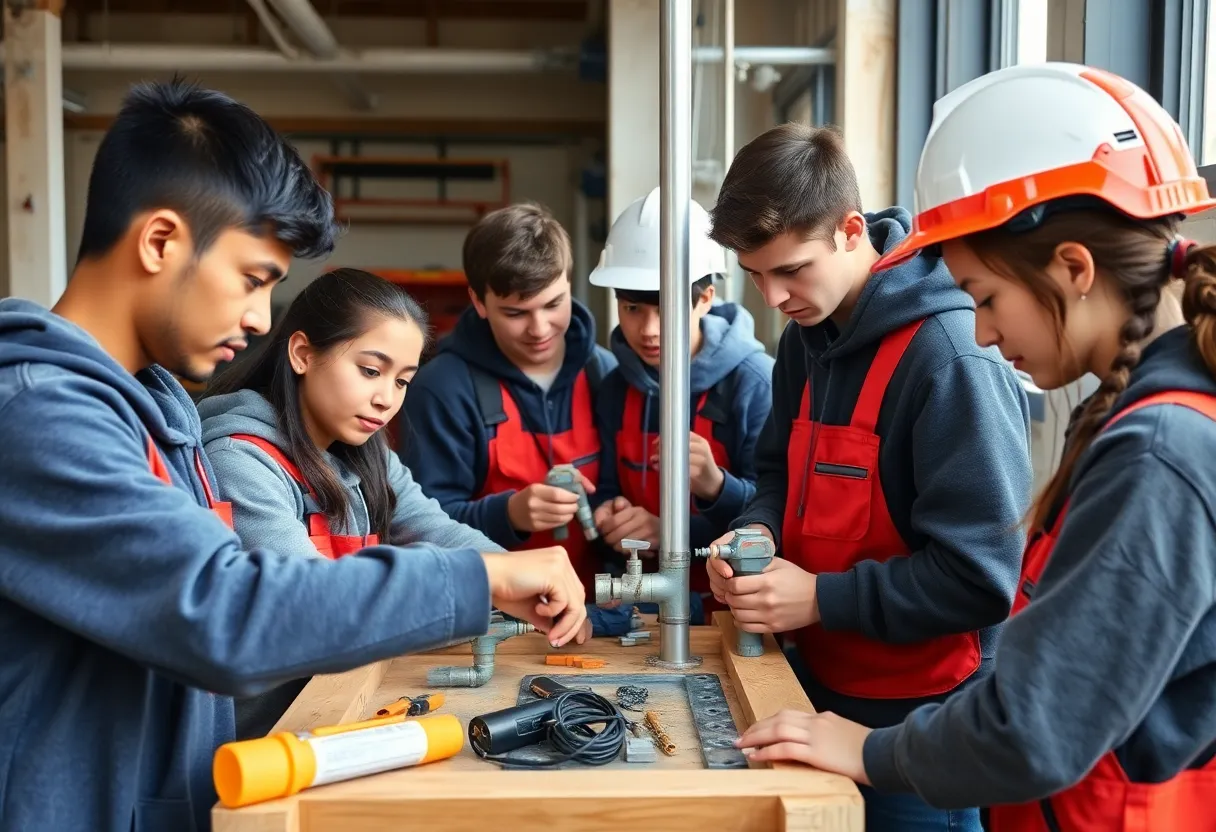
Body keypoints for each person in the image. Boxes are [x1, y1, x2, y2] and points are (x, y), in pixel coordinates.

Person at [0, 80, 585, 832]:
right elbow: (228, 612)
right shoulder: (39, 412)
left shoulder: (155, 408)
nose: (257, 318)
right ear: (159, 242)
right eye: (251, 280)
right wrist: (478, 574)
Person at [735, 62, 1216, 832]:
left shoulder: (1160, 451)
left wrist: (871, 752)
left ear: (1074, 268)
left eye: (986, 300)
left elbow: (1036, 725)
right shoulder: (1145, 414)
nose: (984, 333)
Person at [704, 121, 1034, 831]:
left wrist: (821, 598)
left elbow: (981, 579)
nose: (772, 297)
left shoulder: (949, 359)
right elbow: (774, 476)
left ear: (852, 230)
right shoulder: (804, 341)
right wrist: (753, 532)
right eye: (755, 274)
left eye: (791, 270)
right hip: (813, 692)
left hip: (921, 729)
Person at [198, 268, 551, 740]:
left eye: (403, 381)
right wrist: (488, 581)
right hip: (263, 741)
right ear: (303, 354)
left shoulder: (368, 452)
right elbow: (311, 611)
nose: (386, 399)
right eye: (370, 370)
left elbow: (433, 528)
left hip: (335, 707)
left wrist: (525, 579)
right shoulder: (240, 463)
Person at [402, 203, 617, 599]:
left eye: (553, 304)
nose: (539, 329)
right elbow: (417, 525)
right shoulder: (441, 389)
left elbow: (620, 491)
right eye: (516, 313)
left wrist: (618, 516)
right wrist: (509, 514)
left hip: (594, 611)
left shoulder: (605, 373)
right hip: (487, 616)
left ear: (569, 283)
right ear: (479, 302)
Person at [588, 187, 774, 623]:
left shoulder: (754, 383)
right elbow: (610, 485)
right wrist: (613, 516)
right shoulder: (616, 386)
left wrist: (714, 485)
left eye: (665, 307)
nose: (648, 329)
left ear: (705, 298)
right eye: (632, 308)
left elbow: (777, 515)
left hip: (731, 613)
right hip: (642, 611)